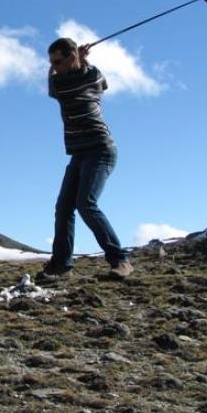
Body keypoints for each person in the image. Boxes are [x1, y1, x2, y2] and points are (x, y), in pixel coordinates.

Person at [38, 38, 133, 280]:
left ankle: (120, 260)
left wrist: (82, 59)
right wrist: (83, 59)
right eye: (51, 62)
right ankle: (61, 263)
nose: (54, 67)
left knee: (85, 203)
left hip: (101, 149)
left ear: (71, 57)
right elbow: (100, 81)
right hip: (80, 153)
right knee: (63, 207)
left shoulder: (71, 80)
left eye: (58, 61)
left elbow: (90, 81)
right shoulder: (79, 77)